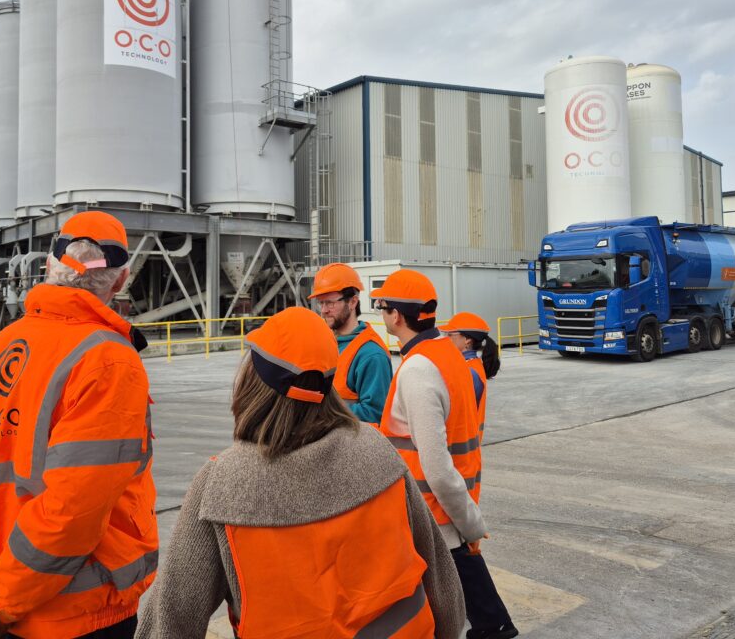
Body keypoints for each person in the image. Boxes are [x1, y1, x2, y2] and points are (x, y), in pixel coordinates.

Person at [137, 306, 465, 639]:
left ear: (252, 384)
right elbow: (443, 586)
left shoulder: (222, 484)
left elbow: (170, 621)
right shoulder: (377, 451)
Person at [0, 211, 157, 639]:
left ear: (48, 267)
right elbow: (71, 513)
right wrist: (7, 604)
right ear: (120, 282)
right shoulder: (109, 361)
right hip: (76, 613)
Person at [374, 270, 518, 639]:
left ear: (397, 316)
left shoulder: (419, 369)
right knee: (465, 597)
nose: (381, 313)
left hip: (434, 511)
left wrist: (470, 522)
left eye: (383, 307)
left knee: (471, 602)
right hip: (447, 505)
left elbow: (436, 467)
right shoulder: (447, 354)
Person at [308, 262, 393, 424]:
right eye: (321, 303)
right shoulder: (326, 343)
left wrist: (319, 410)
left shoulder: (371, 355)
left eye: (330, 303)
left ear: (353, 302)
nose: (324, 310)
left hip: (352, 446)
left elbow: (375, 414)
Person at [443, 311, 501, 438]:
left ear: (467, 340)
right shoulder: (471, 365)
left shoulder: (467, 372)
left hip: (459, 448)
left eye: (450, 335)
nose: (446, 338)